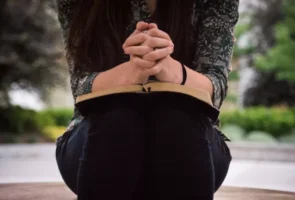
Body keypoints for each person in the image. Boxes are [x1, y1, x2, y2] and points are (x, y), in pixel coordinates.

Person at [55, 0, 239, 199]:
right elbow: (80, 87)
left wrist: (169, 68)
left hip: (191, 144)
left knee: (178, 119)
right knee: (117, 120)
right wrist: (132, 71)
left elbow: (216, 88)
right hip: (96, 142)